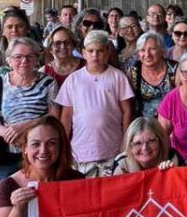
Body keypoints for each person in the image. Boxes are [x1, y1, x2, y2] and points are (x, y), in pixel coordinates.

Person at [0, 36, 56, 186]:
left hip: (40, 154)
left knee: (39, 194)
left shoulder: (48, 82)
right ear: (9, 60)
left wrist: (23, 127)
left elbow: (54, 116)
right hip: (5, 153)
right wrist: (6, 132)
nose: (24, 61)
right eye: (18, 57)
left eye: (29, 56)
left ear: (36, 59)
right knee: (2, 194)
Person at [54, 30, 135, 175]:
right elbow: (66, 115)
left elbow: (127, 111)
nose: (95, 55)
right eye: (91, 51)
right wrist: (63, 144)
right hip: (81, 151)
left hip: (112, 149)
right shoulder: (73, 80)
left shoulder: (118, 77)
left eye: (100, 51)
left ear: (107, 52)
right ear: (83, 53)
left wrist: (126, 142)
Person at [104, 116, 180, 175]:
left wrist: (172, 173)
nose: (145, 148)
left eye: (151, 141)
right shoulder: (122, 163)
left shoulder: (172, 157)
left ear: (160, 141)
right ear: (129, 145)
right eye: (138, 143)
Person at [130, 32, 177, 120]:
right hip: (146, 123)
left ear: (161, 50)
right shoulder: (134, 71)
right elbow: (130, 104)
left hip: (173, 120)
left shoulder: (175, 69)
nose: (147, 54)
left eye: (152, 49)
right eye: (142, 50)